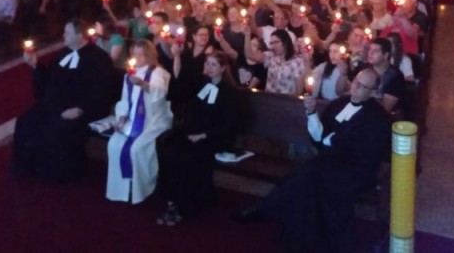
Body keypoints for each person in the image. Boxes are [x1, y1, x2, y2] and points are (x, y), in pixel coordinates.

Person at [234, 68, 390, 253]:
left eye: (363, 86)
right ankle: (295, 233)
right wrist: (311, 112)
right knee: (309, 177)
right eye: (356, 81)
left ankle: (267, 210)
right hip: (328, 163)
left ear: (372, 92)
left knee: (308, 174)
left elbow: (359, 150)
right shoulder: (339, 104)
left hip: (354, 170)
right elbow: (320, 138)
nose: (356, 87)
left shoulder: (377, 117)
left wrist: (330, 142)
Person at [12, 19, 116, 182]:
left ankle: (57, 175)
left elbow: (101, 91)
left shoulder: (99, 59)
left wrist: (80, 109)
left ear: (80, 36)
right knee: (26, 121)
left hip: (82, 109)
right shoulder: (63, 54)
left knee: (57, 127)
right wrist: (35, 65)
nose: (63, 35)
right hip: (55, 105)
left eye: (67, 32)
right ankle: (28, 168)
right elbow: (49, 82)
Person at [157, 51, 238, 225]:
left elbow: (229, 124)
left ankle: (184, 207)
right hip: (192, 133)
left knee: (187, 157)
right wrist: (177, 59)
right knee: (168, 149)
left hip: (213, 137)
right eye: (207, 63)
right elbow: (178, 94)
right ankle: (171, 199)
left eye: (213, 65)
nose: (208, 68)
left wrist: (203, 135)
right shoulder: (200, 83)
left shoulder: (229, 92)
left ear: (223, 68)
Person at [106, 39, 173, 204]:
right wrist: (121, 117)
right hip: (131, 119)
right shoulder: (129, 75)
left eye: (140, 55)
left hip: (154, 120)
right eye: (134, 54)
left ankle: (141, 188)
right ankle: (121, 188)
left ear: (149, 56)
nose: (137, 58)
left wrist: (143, 84)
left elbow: (159, 92)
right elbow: (124, 99)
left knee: (136, 150)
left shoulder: (158, 73)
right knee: (114, 145)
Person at [245, 27, 307, 95]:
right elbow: (249, 55)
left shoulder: (297, 62)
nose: (274, 46)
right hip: (269, 99)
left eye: (276, 42)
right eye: (272, 43)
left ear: (285, 42)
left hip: (287, 101)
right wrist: (247, 35)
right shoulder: (270, 56)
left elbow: (299, 90)